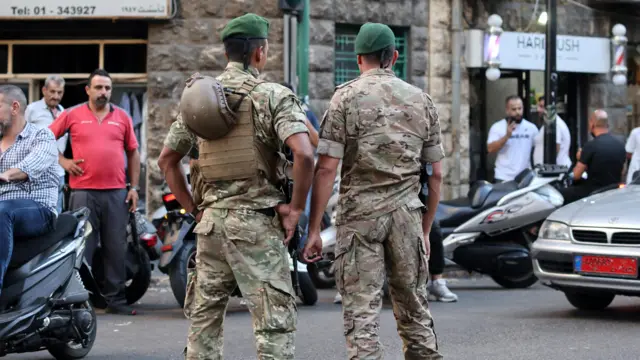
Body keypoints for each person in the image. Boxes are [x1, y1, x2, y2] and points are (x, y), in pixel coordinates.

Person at [157, 13, 314, 360]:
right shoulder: (271, 95)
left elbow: (167, 161)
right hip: (256, 225)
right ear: (260, 53)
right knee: (273, 326)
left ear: (226, 53)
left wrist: (196, 210)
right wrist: (296, 210)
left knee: (204, 325)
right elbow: (304, 154)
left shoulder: (197, 98)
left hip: (211, 227)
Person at [303, 23, 444, 359]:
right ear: (393, 57)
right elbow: (436, 174)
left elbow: (325, 168)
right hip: (406, 216)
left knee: (362, 312)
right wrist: (424, 230)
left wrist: (314, 230)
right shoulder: (421, 101)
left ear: (358, 60)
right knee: (413, 306)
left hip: (359, 218)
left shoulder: (345, 98)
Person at [49, 69, 141, 315]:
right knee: (82, 249)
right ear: (87, 89)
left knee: (116, 248)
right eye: (98, 87)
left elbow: (133, 152)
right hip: (83, 193)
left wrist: (134, 188)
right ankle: (80, 303)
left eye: (107, 88)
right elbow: (44, 138)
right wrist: (64, 161)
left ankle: (116, 301)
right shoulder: (72, 115)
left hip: (115, 194)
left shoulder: (122, 117)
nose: (103, 93)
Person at [0, 85, 59, 295]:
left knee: (3, 211)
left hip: (39, 210)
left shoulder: (42, 136)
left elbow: (30, 166)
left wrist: (6, 174)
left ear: (14, 107)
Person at [560, 109, 626, 204]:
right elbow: (622, 171)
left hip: (593, 192)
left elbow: (576, 175)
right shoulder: (620, 145)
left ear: (592, 124)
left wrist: (580, 158)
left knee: (561, 193)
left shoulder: (590, 146)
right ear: (607, 125)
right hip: (613, 190)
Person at [25, 75, 68, 213]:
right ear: (44, 90)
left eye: (59, 92)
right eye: (52, 91)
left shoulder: (64, 113)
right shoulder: (32, 110)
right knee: (34, 212)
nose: (56, 96)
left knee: (56, 213)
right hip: (37, 172)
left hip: (58, 172)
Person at [487, 95, 538, 182]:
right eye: (514, 109)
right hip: (503, 177)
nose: (518, 112)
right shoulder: (497, 127)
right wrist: (507, 136)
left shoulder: (531, 128)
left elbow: (539, 149)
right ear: (507, 110)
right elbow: (490, 149)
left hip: (525, 178)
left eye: (520, 108)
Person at [532, 96, 572, 168]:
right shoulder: (549, 122)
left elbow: (556, 147)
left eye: (542, 107)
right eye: (538, 106)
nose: (538, 110)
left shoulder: (554, 123)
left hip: (555, 171)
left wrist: (548, 168)